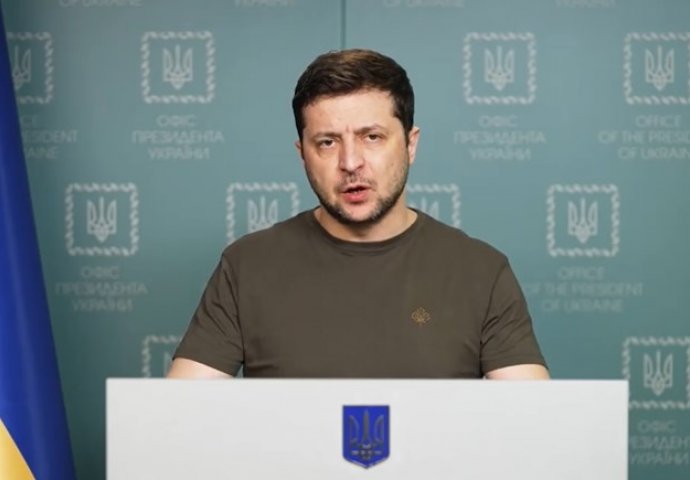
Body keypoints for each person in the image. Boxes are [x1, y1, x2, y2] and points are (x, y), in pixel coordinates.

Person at [167, 49, 549, 380]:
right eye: (327, 142)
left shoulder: (482, 271)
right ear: (303, 154)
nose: (350, 163)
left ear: (410, 144)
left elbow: (533, 422)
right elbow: (177, 417)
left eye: (372, 137)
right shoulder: (246, 266)